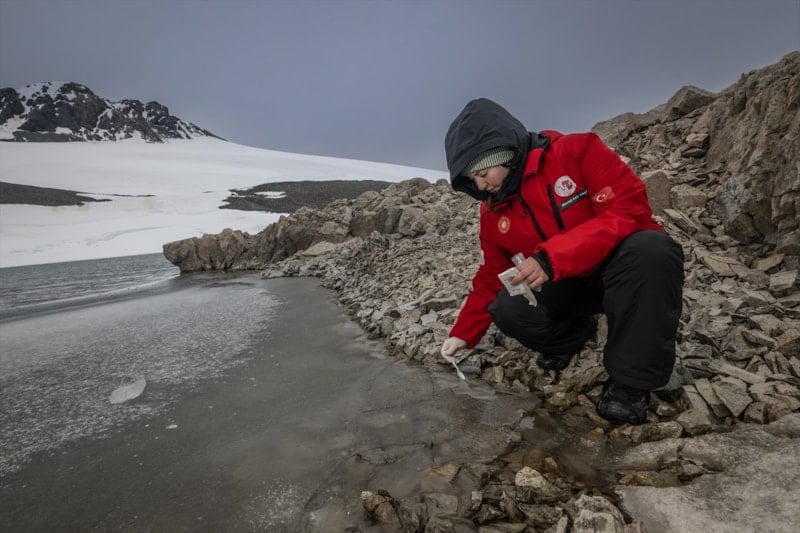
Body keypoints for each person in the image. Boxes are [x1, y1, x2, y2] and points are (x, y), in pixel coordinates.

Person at [440, 98, 684, 425]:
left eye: (484, 173)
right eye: (473, 180)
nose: (481, 185)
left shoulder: (578, 151)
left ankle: (631, 384)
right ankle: (572, 336)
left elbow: (629, 210)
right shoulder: (493, 211)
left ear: (505, 153)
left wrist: (550, 258)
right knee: (507, 307)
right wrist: (463, 334)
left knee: (653, 249)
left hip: (620, 272)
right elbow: (491, 275)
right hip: (565, 285)